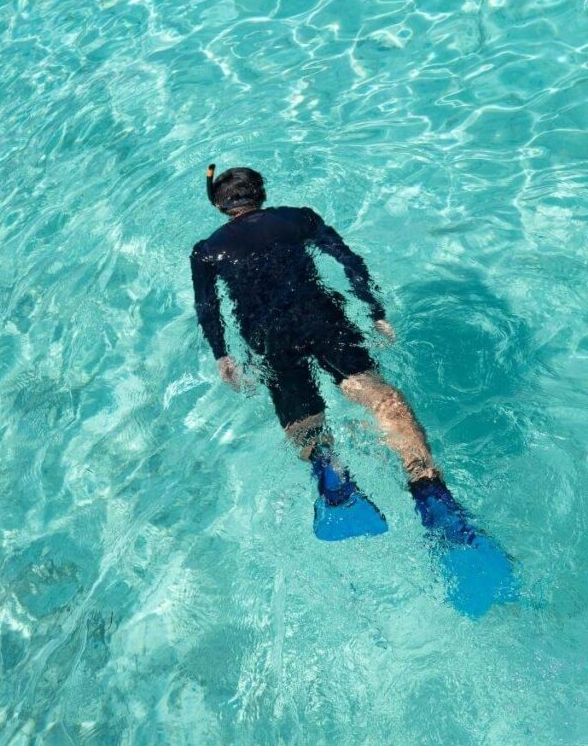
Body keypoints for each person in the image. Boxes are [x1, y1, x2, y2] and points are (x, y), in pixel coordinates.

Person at [190, 165, 515, 615]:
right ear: (262, 195)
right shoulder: (298, 218)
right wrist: (374, 307)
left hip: (269, 336)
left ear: (219, 206)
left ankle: (332, 478)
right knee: (380, 397)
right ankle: (430, 493)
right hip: (322, 319)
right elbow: (347, 259)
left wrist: (222, 355)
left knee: (304, 422)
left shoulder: (207, 251)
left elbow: (208, 308)